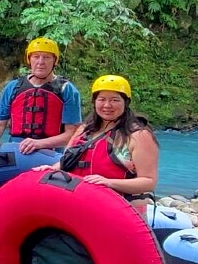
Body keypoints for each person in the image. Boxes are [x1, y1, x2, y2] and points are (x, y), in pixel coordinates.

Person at [34, 75, 158, 213]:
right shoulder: (83, 130)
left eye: (115, 100)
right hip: (81, 204)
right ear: (94, 102)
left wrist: (109, 182)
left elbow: (148, 181)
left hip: (122, 210)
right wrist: (51, 170)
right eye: (102, 99)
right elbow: (67, 161)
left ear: (126, 102)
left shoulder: (139, 136)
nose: (107, 105)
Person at [0, 37, 82, 155]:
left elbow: (71, 134)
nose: (40, 62)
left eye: (46, 57)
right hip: (16, 149)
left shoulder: (67, 90)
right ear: (29, 60)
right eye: (36, 56)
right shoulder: (13, 87)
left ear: (55, 61)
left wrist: (39, 144)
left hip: (50, 152)